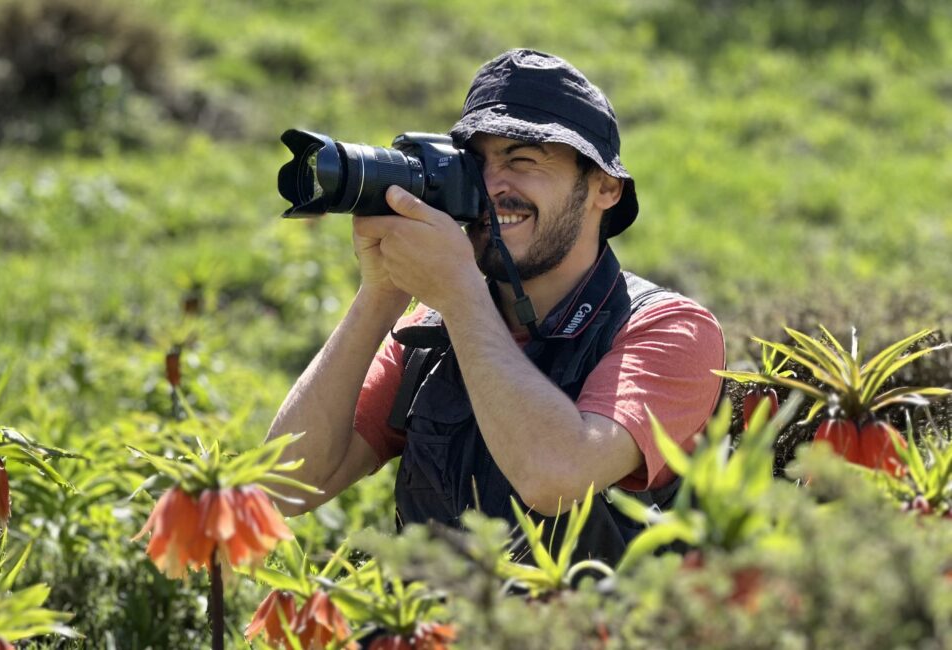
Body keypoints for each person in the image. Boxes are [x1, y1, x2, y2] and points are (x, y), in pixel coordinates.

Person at [267, 49, 724, 565]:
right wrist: (381, 293)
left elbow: (554, 475)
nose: (491, 187)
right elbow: (286, 486)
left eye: (522, 160)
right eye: (475, 164)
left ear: (605, 187)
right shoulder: (430, 334)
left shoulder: (670, 331)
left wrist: (460, 295)